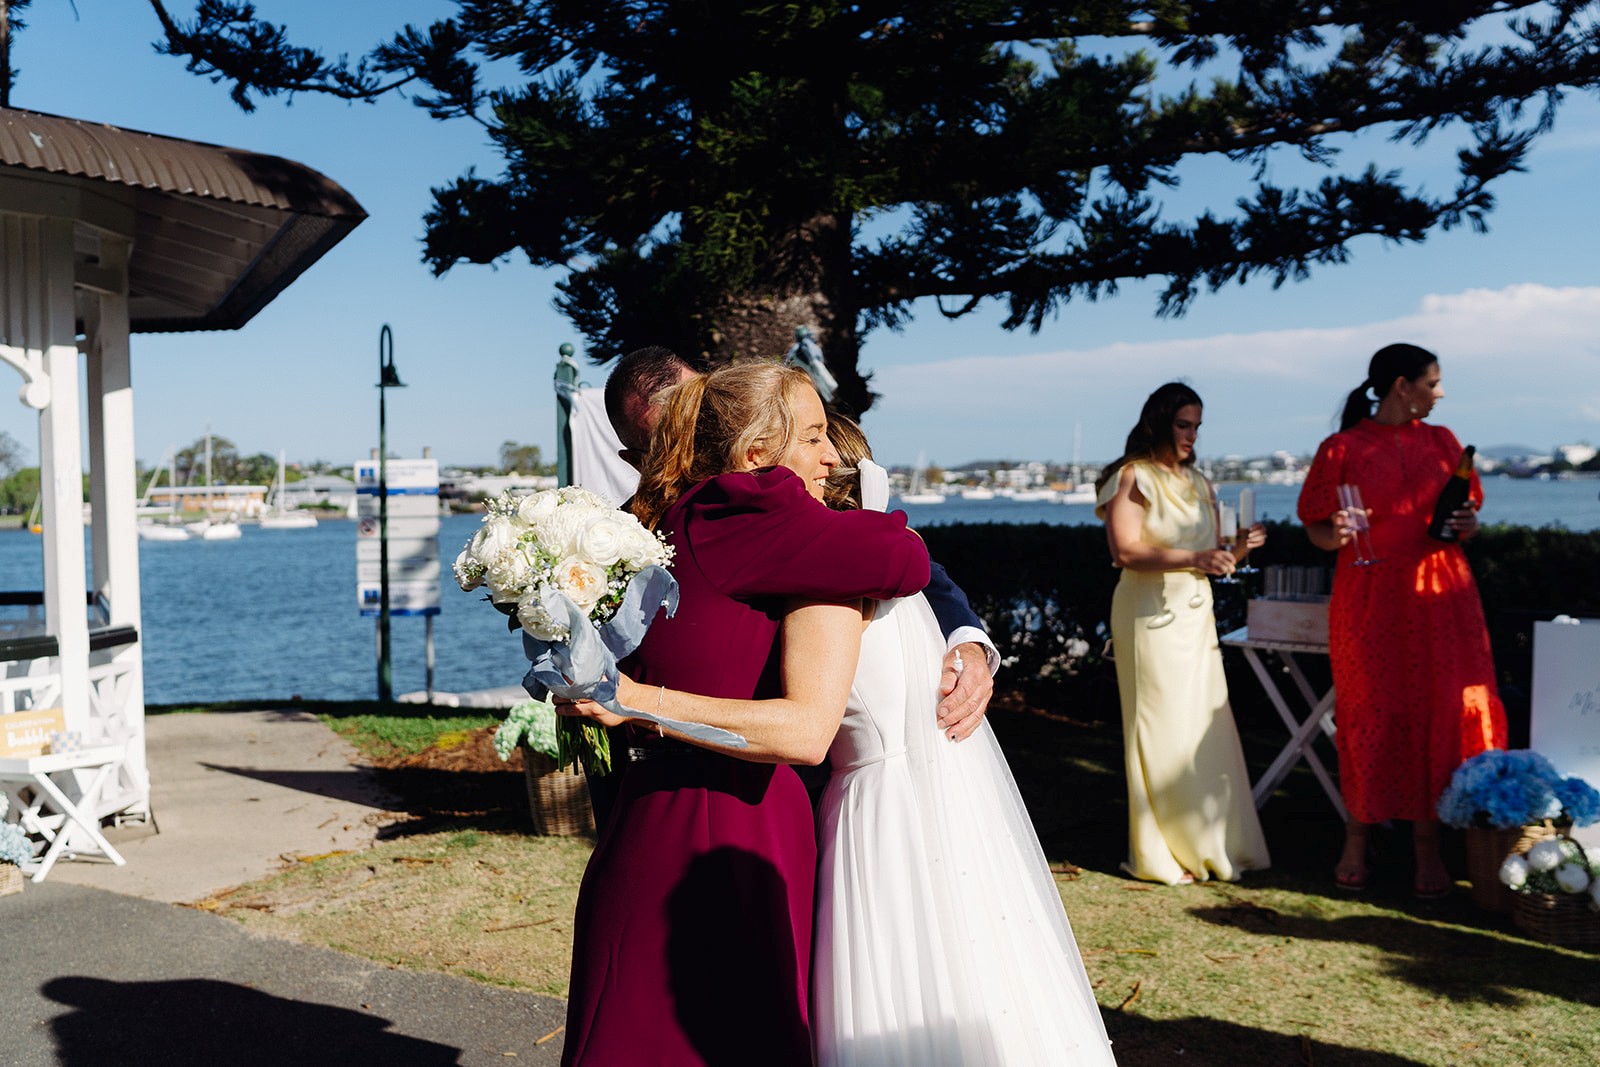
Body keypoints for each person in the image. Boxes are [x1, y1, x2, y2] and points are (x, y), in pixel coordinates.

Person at [573, 416, 1117, 1065]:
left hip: (909, 807)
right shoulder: (816, 547)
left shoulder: (839, 556)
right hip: (877, 800)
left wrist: (969, 638)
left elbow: (917, 570)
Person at [558, 362, 932, 1067]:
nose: (832, 458)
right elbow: (900, 557)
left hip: (650, 813)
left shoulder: (661, 515)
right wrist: (633, 700)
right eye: (816, 436)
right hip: (723, 825)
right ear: (757, 455)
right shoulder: (745, 510)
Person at [603, 345, 998, 739]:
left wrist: (969, 642)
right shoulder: (613, 540)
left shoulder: (799, 490)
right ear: (634, 458)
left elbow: (914, 565)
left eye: (698, 417)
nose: (691, 443)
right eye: (665, 439)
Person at [1297, 343, 1506, 898]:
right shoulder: (1342, 448)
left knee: (1437, 714)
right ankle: (1357, 842)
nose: (1440, 393)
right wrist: (1334, 534)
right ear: (1400, 386)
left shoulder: (1444, 443)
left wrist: (1466, 525)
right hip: (1370, 596)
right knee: (1370, 712)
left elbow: (1469, 523)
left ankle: (1429, 851)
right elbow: (1316, 530)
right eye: (1432, 383)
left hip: (1442, 595)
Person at [1094, 382, 1270, 885]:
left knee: (1201, 726)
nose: (1191, 435)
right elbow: (1124, 550)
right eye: (1183, 424)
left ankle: (1212, 843)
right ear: (1160, 421)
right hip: (1149, 614)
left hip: (1196, 612)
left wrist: (1242, 547)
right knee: (1160, 725)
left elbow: (1220, 558)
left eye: (1197, 426)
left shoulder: (1200, 482)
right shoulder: (1133, 477)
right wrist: (1196, 557)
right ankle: (1160, 852)